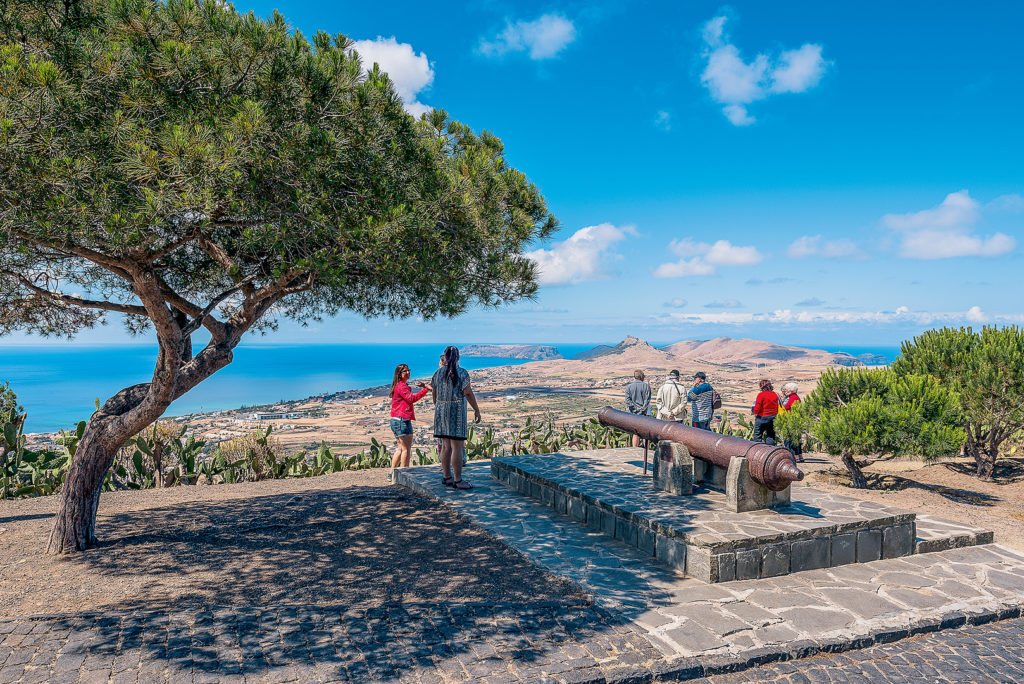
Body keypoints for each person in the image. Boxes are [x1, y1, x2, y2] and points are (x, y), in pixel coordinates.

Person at [431, 346, 481, 490]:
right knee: (457, 447)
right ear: (458, 357)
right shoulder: (462, 373)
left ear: (445, 358)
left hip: (440, 413)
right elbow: (468, 393)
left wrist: (440, 406)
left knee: (446, 447)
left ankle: (447, 477)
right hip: (456, 413)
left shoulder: (438, 373)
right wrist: (476, 409)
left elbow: (434, 393)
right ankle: (458, 480)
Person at [388, 364, 430, 483]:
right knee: (406, 449)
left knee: (400, 448)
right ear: (399, 374)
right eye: (404, 371)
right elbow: (412, 399)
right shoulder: (402, 386)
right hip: (402, 421)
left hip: (395, 420)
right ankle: (404, 475)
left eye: (408, 371)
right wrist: (425, 390)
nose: (407, 373)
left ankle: (392, 473)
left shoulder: (398, 386)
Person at [625, 370, 651, 447]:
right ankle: (646, 450)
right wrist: (642, 410)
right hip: (644, 413)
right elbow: (647, 400)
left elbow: (628, 401)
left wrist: (635, 409)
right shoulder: (646, 386)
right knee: (645, 433)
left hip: (633, 414)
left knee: (635, 433)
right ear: (641, 377)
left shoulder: (629, 387)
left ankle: (635, 449)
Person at [751, 379, 780, 446]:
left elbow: (757, 406)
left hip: (762, 417)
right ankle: (770, 450)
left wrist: (755, 412)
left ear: (761, 386)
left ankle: (758, 449)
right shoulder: (775, 394)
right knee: (770, 434)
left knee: (757, 435)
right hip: (773, 416)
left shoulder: (761, 395)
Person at [781, 382, 804, 462]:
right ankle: (799, 456)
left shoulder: (792, 397)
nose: (786, 391)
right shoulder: (796, 397)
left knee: (790, 439)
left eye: (787, 389)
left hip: (791, 420)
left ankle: (794, 457)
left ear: (791, 390)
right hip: (796, 419)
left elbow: (787, 407)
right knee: (796, 439)